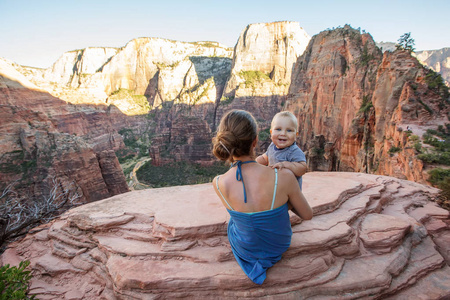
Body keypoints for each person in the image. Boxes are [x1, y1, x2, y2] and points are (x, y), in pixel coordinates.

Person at [212, 109, 313, 285]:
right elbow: (307, 215)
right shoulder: (282, 177)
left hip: (246, 248)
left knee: (235, 224)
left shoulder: (218, 182)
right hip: (278, 245)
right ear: (255, 141)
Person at [256, 111, 307, 189]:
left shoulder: (294, 151)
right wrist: (253, 162)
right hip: (275, 188)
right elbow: (264, 158)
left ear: (296, 135)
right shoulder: (272, 146)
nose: (283, 133)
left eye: (289, 130)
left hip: (290, 193)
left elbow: (302, 168)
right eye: (278, 129)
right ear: (271, 132)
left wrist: (286, 164)